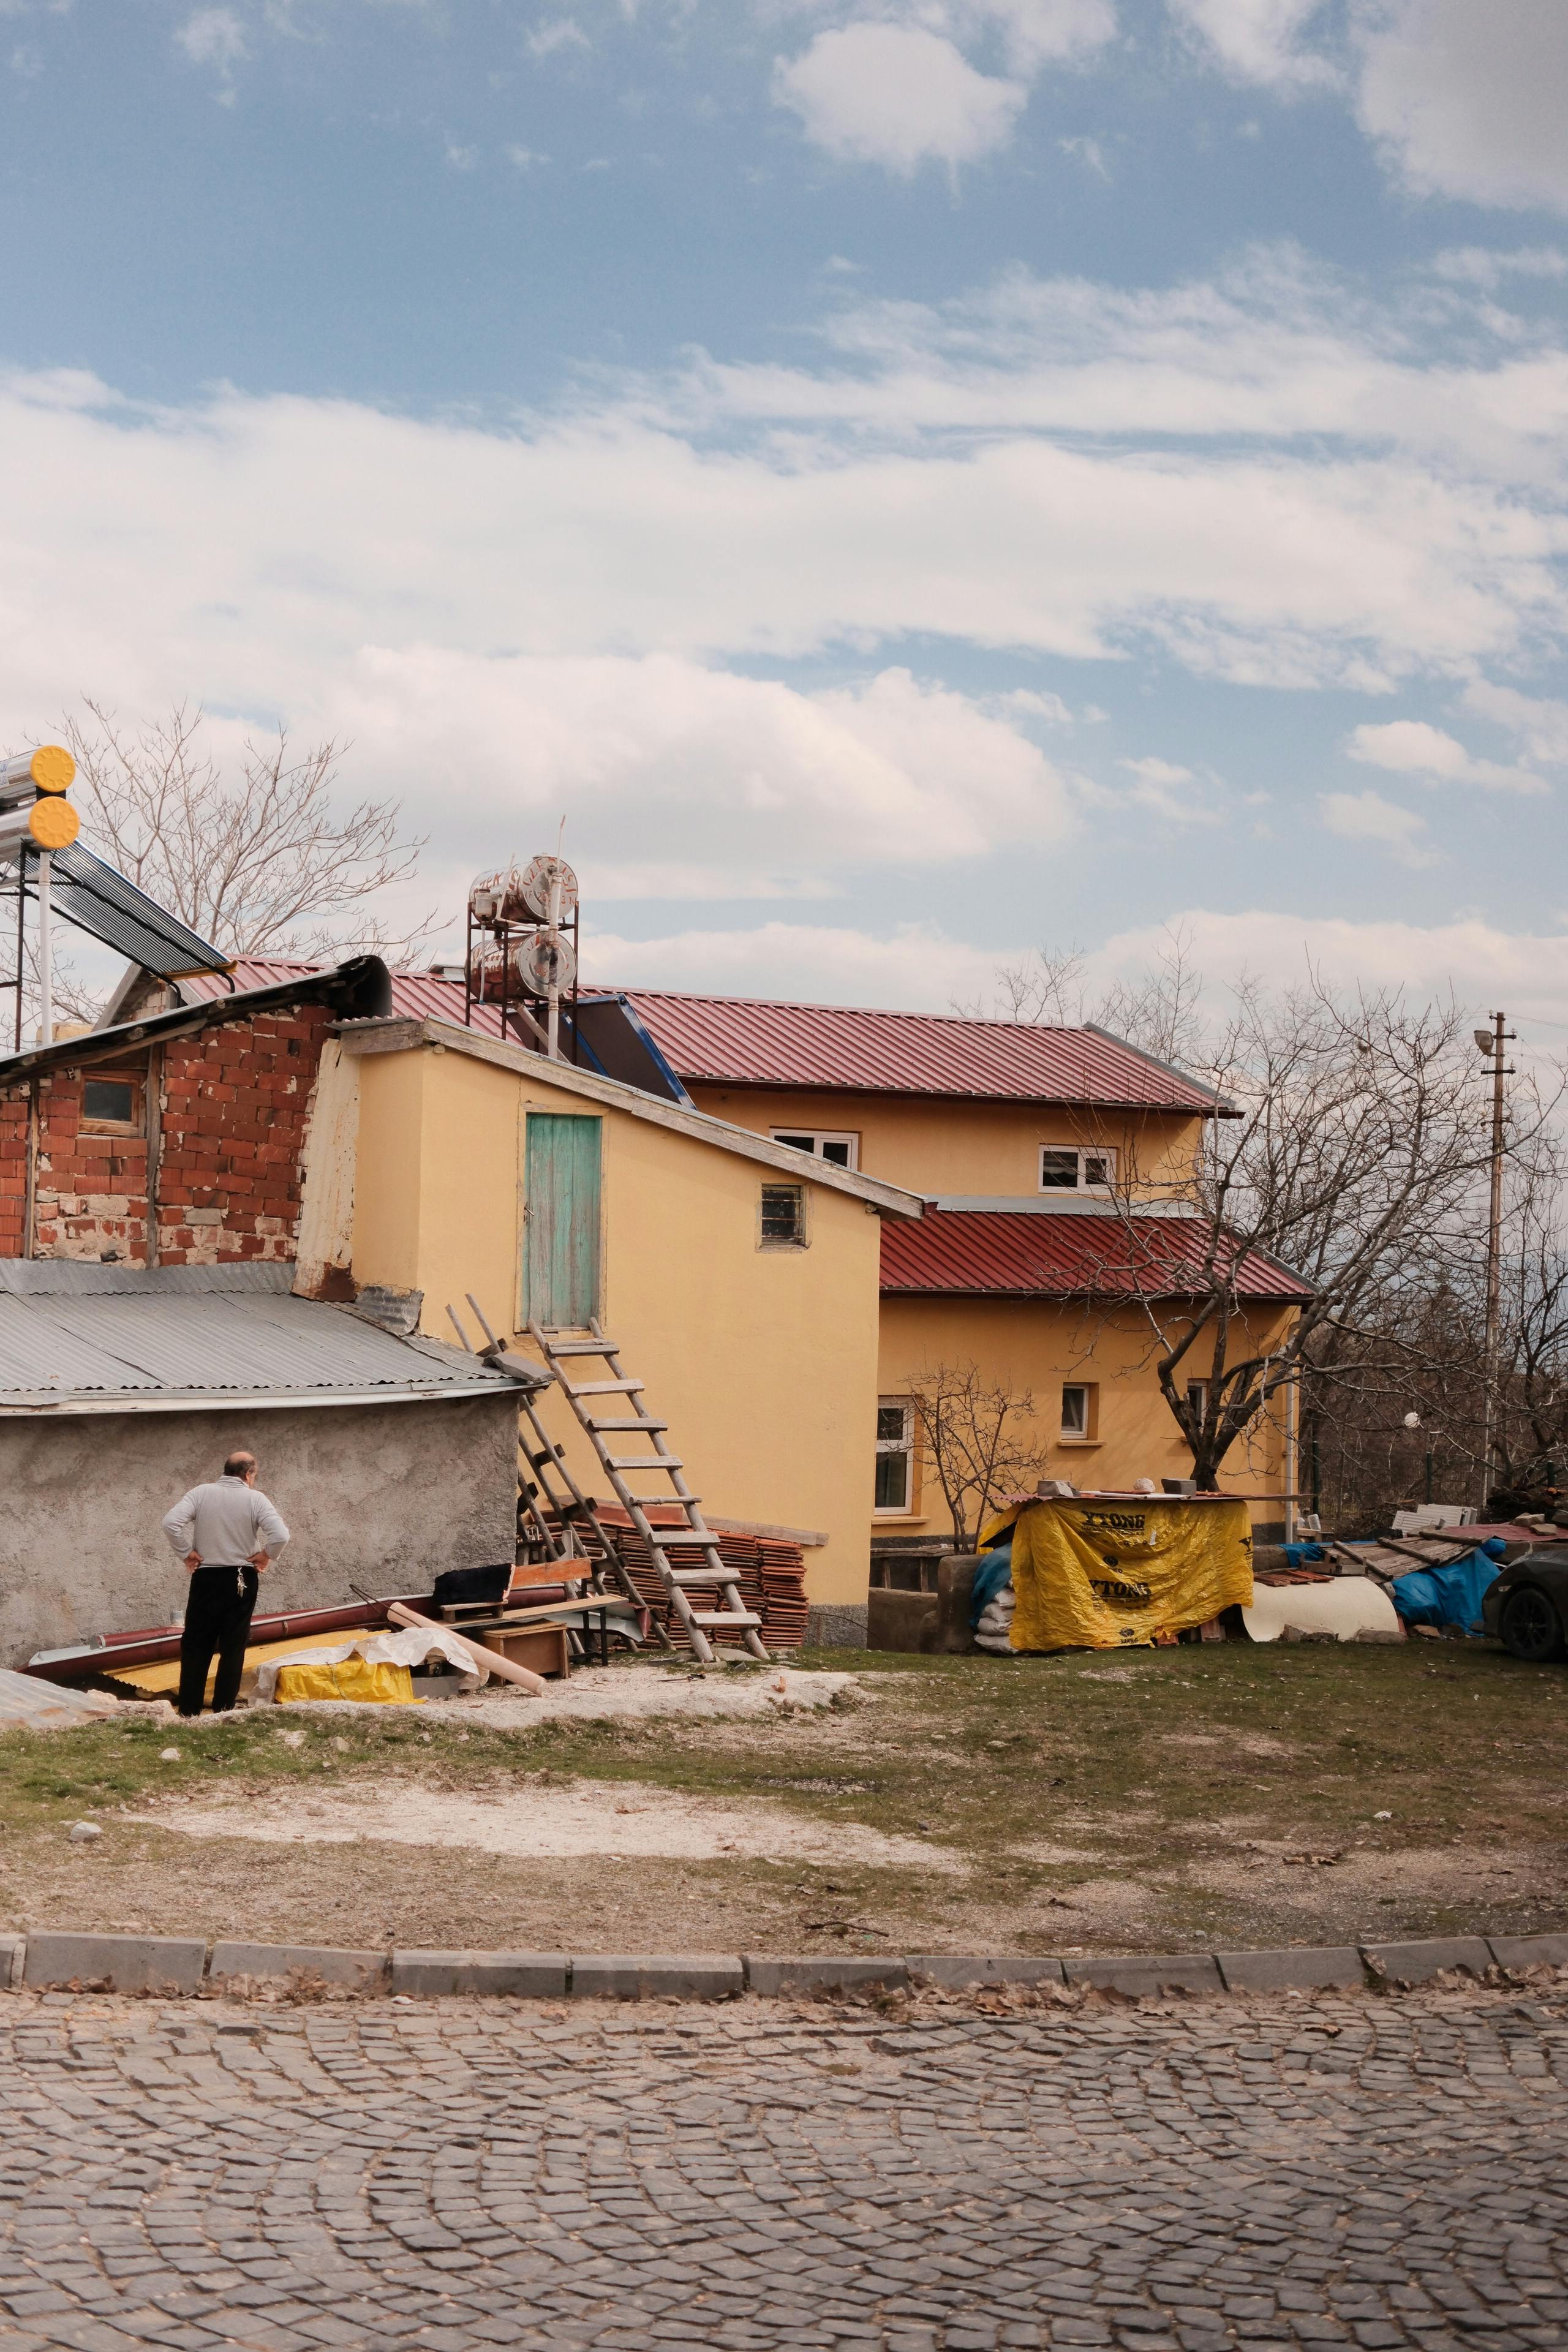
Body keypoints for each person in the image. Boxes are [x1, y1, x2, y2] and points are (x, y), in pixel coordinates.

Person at [162, 1450, 290, 1717]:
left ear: (226, 1470)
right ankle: (223, 1711)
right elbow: (281, 1535)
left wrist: (186, 1553)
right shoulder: (256, 1499)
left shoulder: (200, 1493)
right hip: (241, 1579)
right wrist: (266, 1555)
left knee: (197, 1643)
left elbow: (171, 1523)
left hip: (206, 1576)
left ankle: (189, 1711)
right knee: (234, 1644)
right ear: (248, 1474)